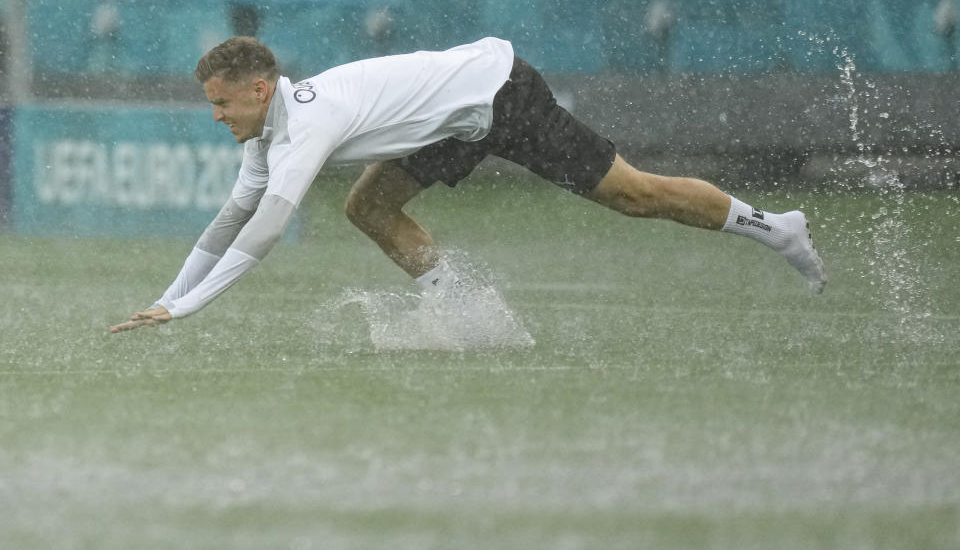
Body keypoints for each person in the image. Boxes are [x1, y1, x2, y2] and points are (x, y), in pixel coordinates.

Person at [109, 36, 826, 333]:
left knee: (631, 195)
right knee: (370, 204)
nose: (216, 116)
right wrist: (166, 300)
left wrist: (187, 311)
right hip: (452, 125)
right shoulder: (268, 131)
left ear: (260, 89)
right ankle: (470, 316)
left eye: (222, 103)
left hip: (500, 93)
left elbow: (266, 230)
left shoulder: (310, 121)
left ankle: (775, 226)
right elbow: (231, 218)